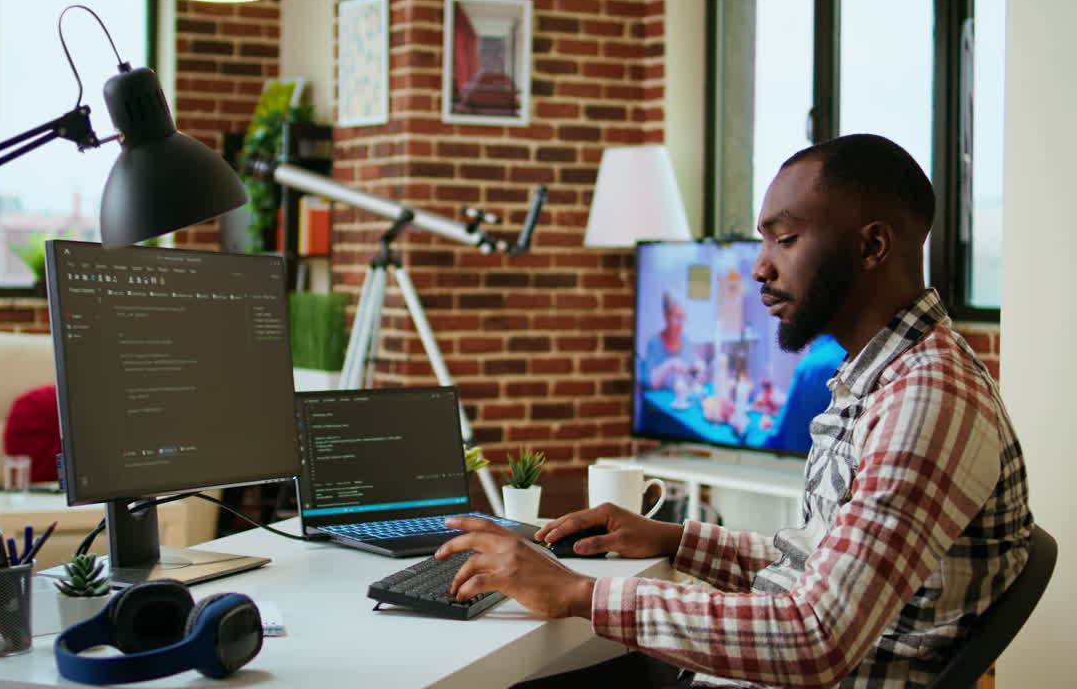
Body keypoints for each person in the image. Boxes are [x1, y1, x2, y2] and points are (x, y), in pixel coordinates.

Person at [437, 134, 1032, 688]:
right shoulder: (880, 375)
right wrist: (672, 536)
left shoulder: (926, 401)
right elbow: (817, 564)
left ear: (873, 245)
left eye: (786, 239)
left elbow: (813, 636)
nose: (760, 266)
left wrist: (574, 594)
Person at [638, 290, 694, 392]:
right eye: (677, 317)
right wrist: (670, 364)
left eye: (683, 317)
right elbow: (649, 383)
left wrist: (698, 369)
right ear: (666, 317)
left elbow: (690, 380)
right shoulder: (654, 343)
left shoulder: (686, 342)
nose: (681, 323)